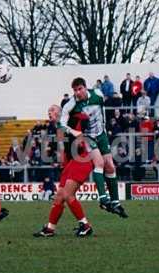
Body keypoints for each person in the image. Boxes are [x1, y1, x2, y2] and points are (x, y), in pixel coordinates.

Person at [60, 77, 128, 218]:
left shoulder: (98, 94)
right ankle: (103, 199)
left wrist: (117, 98)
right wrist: (74, 132)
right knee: (100, 163)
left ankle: (115, 202)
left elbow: (109, 102)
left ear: (85, 88)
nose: (77, 93)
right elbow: (62, 124)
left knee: (110, 166)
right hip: (87, 137)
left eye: (80, 89)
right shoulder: (71, 104)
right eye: (75, 90)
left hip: (101, 134)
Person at [34, 105, 94, 237]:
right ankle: (50, 229)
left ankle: (85, 225)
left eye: (53, 111)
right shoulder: (57, 129)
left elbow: (84, 119)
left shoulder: (71, 120)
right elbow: (65, 149)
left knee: (67, 194)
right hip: (72, 162)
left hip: (82, 159)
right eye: (48, 111)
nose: (50, 113)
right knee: (59, 196)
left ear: (61, 112)